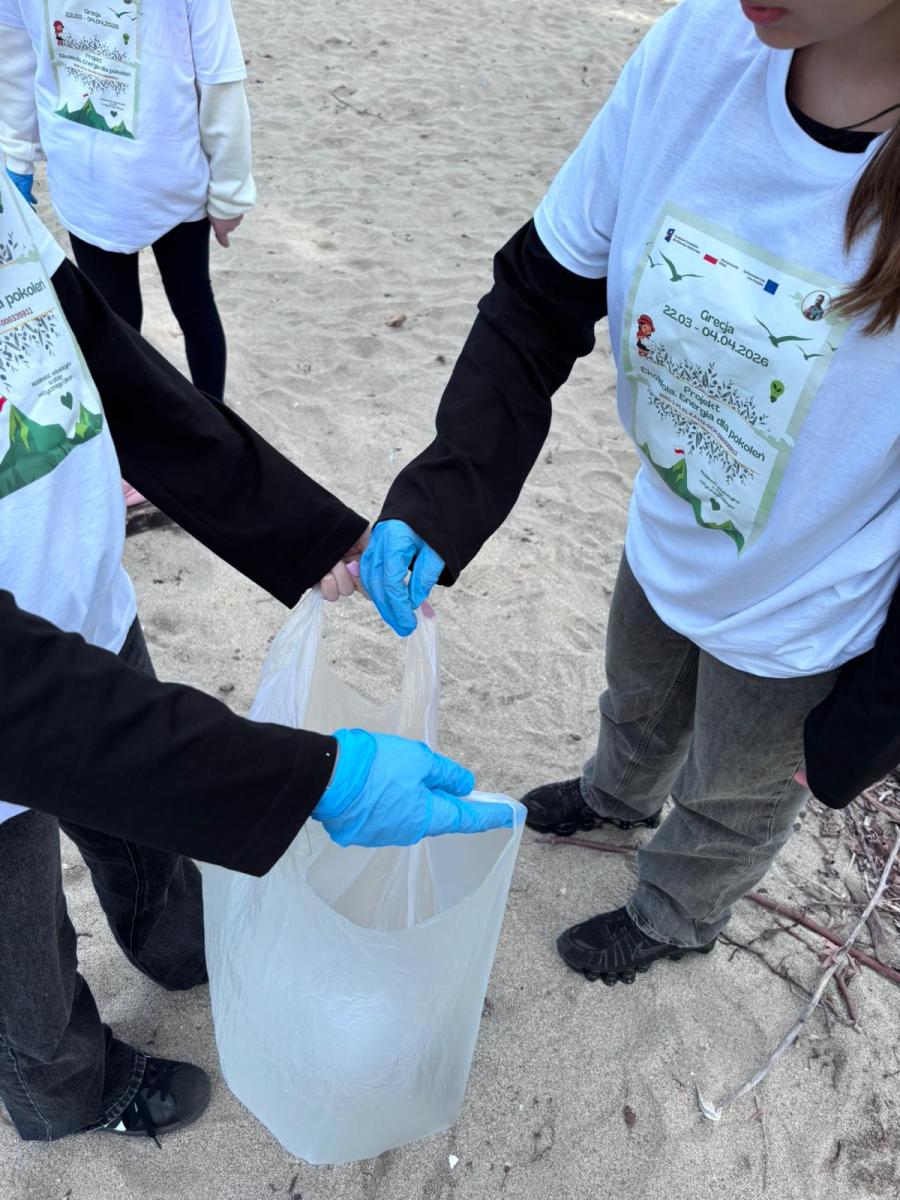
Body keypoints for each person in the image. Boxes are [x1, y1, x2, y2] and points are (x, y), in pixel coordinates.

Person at [360, 0, 900, 988]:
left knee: (735, 796)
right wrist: (441, 498)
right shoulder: (701, 42)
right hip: (670, 525)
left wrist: (866, 728)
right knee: (639, 694)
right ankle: (616, 798)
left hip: (809, 612)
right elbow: (539, 296)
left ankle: (676, 913)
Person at [0, 174, 513, 1146]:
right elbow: (22, 705)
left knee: (141, 827)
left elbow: (98, 357)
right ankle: (65, 1091)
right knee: (17, 953)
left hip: (84, 602)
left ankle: (173, 941)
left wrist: (304, 532)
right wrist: (315, 778)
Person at [0, 0, 257, 524]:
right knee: (122, 324)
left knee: (179, 310)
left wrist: (230, 189)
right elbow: (17, 54)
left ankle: (205, 440)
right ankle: (143, 460)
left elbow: (220, 77)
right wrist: (16, 158)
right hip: (90, 179)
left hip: (161, 177)